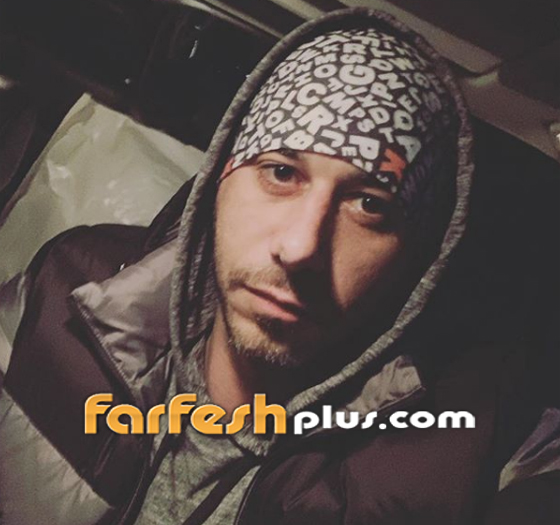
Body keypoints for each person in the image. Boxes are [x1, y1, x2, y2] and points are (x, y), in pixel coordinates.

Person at [0, 8, 558, 525]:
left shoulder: (468, 451)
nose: (300, 247)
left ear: (417, 258)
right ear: (221, 177)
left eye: (370, 204)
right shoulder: (67, 290)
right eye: (281, 173)